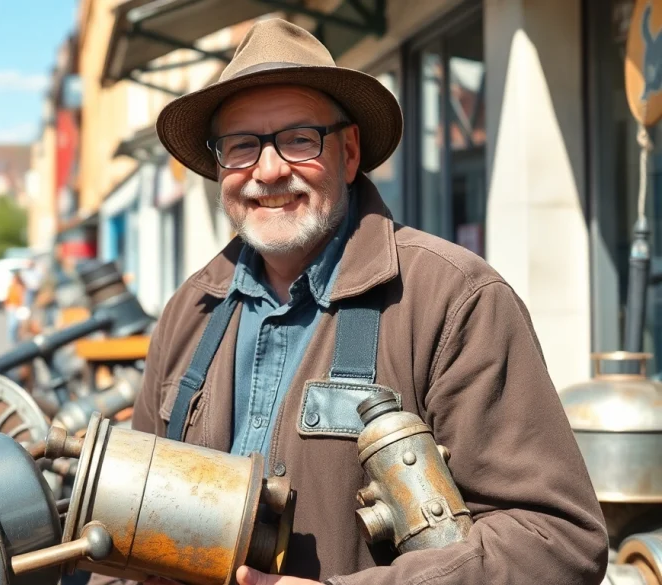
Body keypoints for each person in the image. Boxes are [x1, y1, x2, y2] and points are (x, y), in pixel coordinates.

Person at [128, 18, 607, 585]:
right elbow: (129, 520)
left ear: (349, 153)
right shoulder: (191, 310)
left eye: (300, 139)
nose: (269, 170)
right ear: (219, 167)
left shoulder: (453, 299)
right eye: (241, 146)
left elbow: (555, 540)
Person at [4, 270, 27, 345]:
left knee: (20, 325)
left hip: (19, 307)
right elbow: (7, 298)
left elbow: (24, 297)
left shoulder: (21, 286)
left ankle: (19, 339)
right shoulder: (11, 287)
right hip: (13, 307)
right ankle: (13, 341)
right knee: (13, 325)